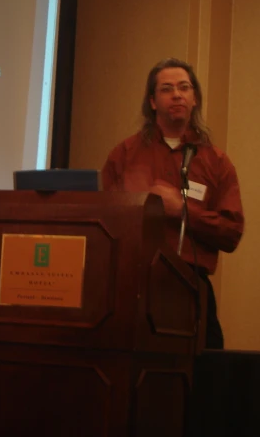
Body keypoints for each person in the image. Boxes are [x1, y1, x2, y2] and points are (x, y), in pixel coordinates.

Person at [101, 58, 244, 349]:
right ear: (152, 102)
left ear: (194, 100)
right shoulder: (125, 155)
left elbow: (231, 232)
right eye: (167, 89)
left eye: (184, 88)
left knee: (206, 377)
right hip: (134, 286)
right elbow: (104, 223)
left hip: (190, 286)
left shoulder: (216, 162)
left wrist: (182, 210)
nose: (177, 94)